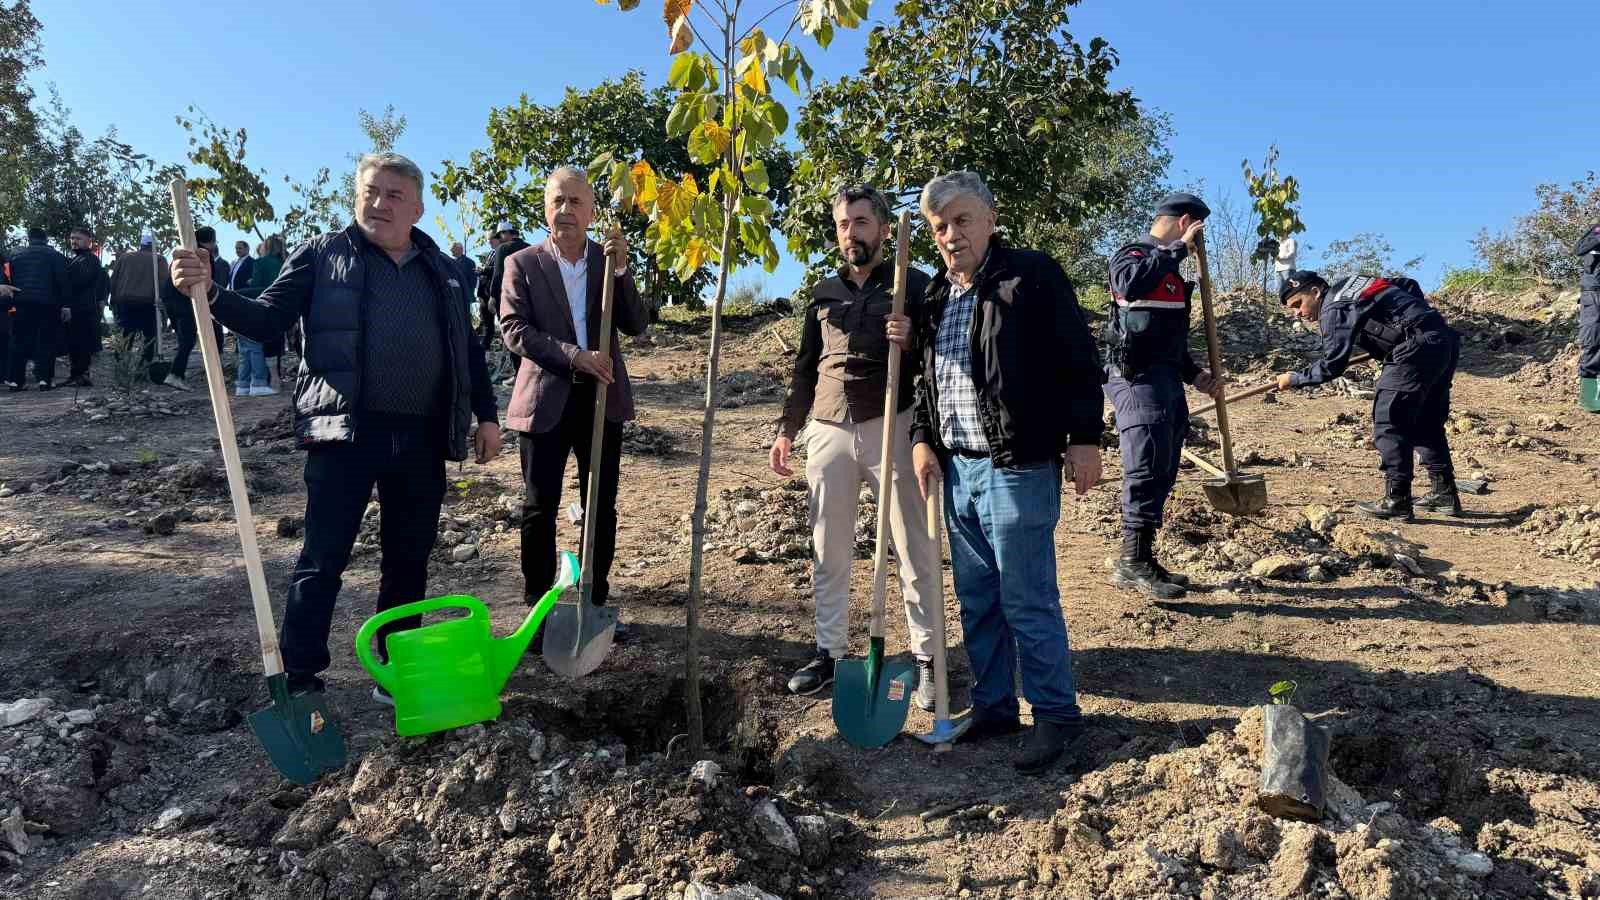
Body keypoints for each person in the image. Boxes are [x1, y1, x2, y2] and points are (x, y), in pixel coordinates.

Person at [171, 152, 502, 703]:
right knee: (323, 557)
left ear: (417, 207)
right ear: (356, 197)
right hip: (344, 432)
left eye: (394, 195)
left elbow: (466, 348)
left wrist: (487, 416)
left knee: (408, 557)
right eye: (371, 191)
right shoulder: (323, 255)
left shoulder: (445, 271)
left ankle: (397, 670)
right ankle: (300, 676)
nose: (380, 203)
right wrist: (210, 292)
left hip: (421, 435)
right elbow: (267, 318)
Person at [888, 172, 1104, 775]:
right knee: (977, 598)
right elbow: (929, 381)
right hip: (957, 469)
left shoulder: (1029, 275)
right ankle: (994, 706)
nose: (951, 235)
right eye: (940, 227)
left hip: (1019, 464)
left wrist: (1085, 437)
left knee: (1026, 596)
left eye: (961, 220)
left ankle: (1056, 716)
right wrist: (924, 439)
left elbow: (1078, 358)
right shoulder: (934, 297)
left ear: (988, 218)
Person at [771, 184, 942, 708]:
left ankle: (927, 659)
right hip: (827, 428)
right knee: (829, 548)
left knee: (915, 546)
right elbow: (804, 366)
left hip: (894, 422)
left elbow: (939, 357)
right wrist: (787, 428)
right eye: (844, 224)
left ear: (884, 229)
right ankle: (828, 653)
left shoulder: (915, 285)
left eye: (861, 223)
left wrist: (911, 337)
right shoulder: (824, 292)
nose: (851, 233)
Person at [500, 167, 649, 644]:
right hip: (545, 397)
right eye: (557, 201)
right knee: (538, 508)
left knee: (601, 506)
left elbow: (635, 323)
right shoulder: (521, 263)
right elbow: (514, 330)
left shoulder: (608, 264)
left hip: (601, 398)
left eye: (575, 203)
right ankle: (537, 614)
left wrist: (623, 272)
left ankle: (595, 603)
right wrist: (573, 356)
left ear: (591, 211)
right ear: (546, 207)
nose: (565, 211)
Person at [1101, 193, 1224, 600]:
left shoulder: (1173, 276)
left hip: (1166, 378)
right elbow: (1128, 285)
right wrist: (1176, 249)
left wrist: (1196, 375)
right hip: (1134, 378)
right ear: (1185, 221)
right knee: (1147, 460)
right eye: (1197, 233)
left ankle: (1142, 556)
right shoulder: (1133, 254)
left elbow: (1168, 341)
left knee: (1166, 465)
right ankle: (1130, 560)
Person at [1276, 270, 1463, 518]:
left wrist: (1295, 378)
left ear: (1315, 292)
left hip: (1412, 351)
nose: (1297, 313)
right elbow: (1408, 284)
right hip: (1442, 341)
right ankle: (1444, 494)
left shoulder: (1333, 307)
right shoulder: (1355, 283)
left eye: (1298, 304)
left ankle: (1397, 500)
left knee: (1389, 422)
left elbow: (1333, 365)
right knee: (1426, 423)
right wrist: (1408, 322)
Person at [162, 226, 230, 392]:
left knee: (184, 339)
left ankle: (178, 374)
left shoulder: (186, 252)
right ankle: (175, 375)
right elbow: (206, 284)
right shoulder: (203, 256)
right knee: (188, 340)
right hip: (186, 304)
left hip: (171, 301)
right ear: (211, 241)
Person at [5, 226, 70, 390]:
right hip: (48, 305)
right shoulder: (56, 256)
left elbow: (9, 281)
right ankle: (44, 380)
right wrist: (65, 305)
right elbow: (63, 283)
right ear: (46, 239)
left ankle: (15, 381)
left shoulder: (16, 256)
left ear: (29, 239)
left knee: (19, 341)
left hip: (22, 304)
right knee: (46, 341)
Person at [62, 226, 110, 387]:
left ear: (89, 242)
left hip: (84, 309)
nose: (74, 241)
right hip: (77, 308)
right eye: (72, 238)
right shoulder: (76, 259)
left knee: (82, 344)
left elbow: (80, 282)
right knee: (74, 344)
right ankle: (76, 374)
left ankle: (81, 375)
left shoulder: (89, 260)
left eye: (78, 238)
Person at [235, 236, 283, 396]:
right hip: (280, 305)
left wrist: (250, 284)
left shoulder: (260, 262)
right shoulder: (284, 262)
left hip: (259, 305)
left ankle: (250, 383)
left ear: (267, 247)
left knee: (250, 348)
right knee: (273, 343)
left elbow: (257, 285)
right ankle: (272, 379)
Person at [109, 234, 166, 366]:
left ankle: (121, 368)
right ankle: (143, 368)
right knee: (149, 338)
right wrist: (163, 306)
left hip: (125, 303)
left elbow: (113, 281)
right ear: (153, 246)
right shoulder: (159, 259)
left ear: (141, 245)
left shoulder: (124, 258)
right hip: (148, 304)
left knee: (125, 337)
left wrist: (112, 301)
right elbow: (163, 283)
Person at [1574, 223, 1600, 412]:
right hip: (1593, 296)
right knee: (1593, 342)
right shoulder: (1596, 230)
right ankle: (1589, 399)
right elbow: (1579, 249)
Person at [450, 241, 477, 316]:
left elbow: (473, 281)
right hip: (454, 295)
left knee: (465, 316)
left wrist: (468, 294)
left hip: (464, 295)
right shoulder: (451, 263)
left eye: (453, 248)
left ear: (460, 249)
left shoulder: (469, 262)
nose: (450, 250)